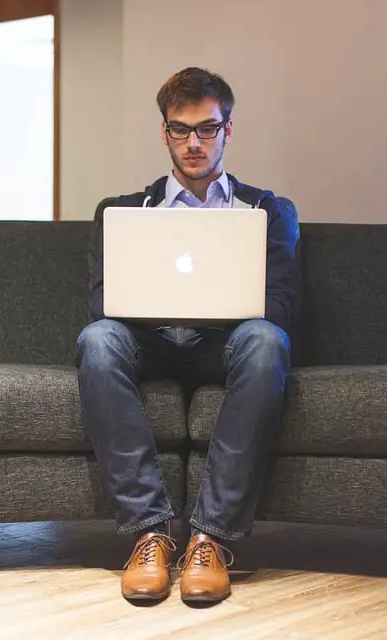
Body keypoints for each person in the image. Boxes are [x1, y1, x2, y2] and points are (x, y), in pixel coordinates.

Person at [75, 67, 301, 604]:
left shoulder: (268, 211)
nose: (194, 142)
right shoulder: (122, 212)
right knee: (97, 340)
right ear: (165, 132)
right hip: (150, 341)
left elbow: (283, 308)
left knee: (267, 341)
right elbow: (101, 303)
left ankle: (210, 540)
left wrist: (217, 306)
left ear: (228, 130)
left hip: (225, 348)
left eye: (207, 128)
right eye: (181, 129)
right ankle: (150, 534)